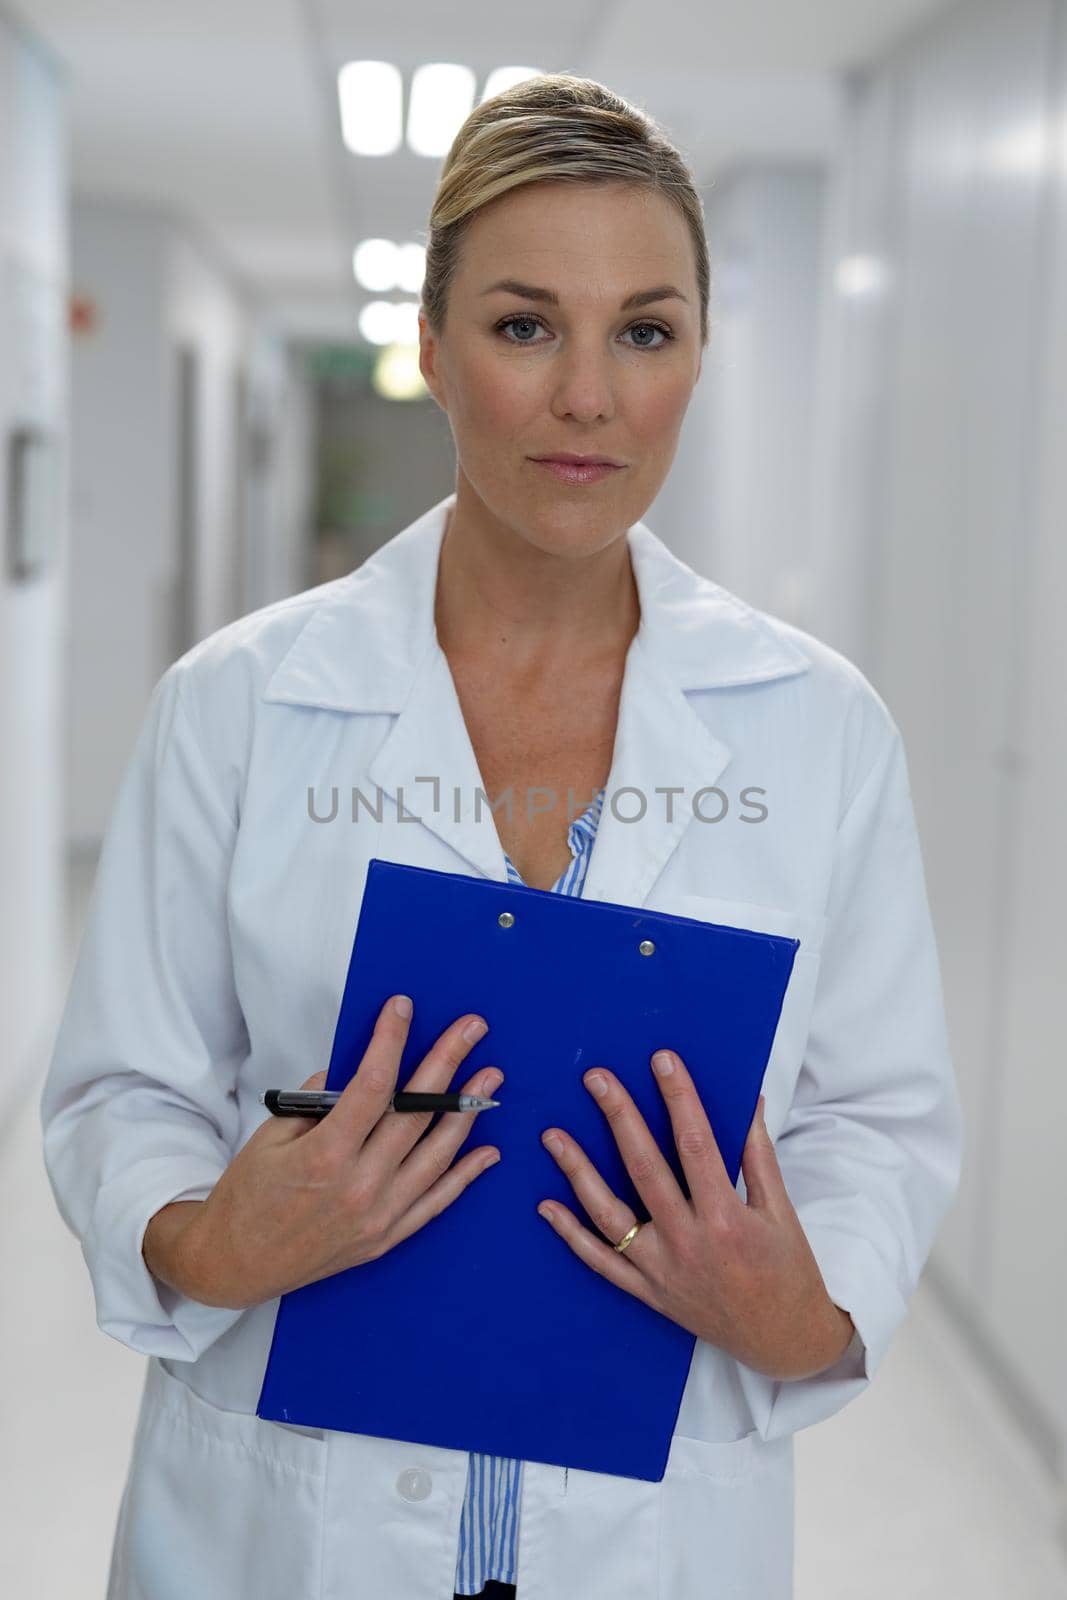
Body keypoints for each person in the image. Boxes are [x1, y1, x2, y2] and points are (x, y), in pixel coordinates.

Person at [40, 73, 963, 1600]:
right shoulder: (243, 704)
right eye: (526, 325)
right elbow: (120, 1084)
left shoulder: (818, 724)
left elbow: (876, 1113)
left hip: (659, 1524)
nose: (588, 396)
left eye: (645, 331)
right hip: (292, 1526)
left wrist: (796, 1312)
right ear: (434, 350)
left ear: (696, 359)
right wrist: (210, 1242)